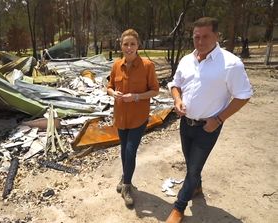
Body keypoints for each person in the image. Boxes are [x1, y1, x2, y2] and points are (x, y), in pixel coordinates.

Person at [166, 17, 253, 223]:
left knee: (194, 168)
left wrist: (219, 119)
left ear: (216, 36)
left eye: (206, 36)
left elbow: (243, 95)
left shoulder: (231, 64)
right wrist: (177, 100)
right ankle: (196, 186)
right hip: (186, 123)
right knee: (191, 164)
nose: (200, 41)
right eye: (197, 36)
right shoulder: (187, 60)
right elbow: (175, 84)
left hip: (208, 127)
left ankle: (179, 207)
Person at [107, 29, 160, 207]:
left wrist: (136, 96)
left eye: (132, 44)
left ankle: (127, 186)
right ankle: (125, 177)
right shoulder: (116, 65)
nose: (129, 47)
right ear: (121, 46)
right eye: (125, 44)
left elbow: (155, 90)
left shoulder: (147, 65)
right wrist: (113, 93)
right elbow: (109, 86)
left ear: (138, 46)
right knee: (123, 150)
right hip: (121, 116)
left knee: (130, 151)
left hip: (138, 117)